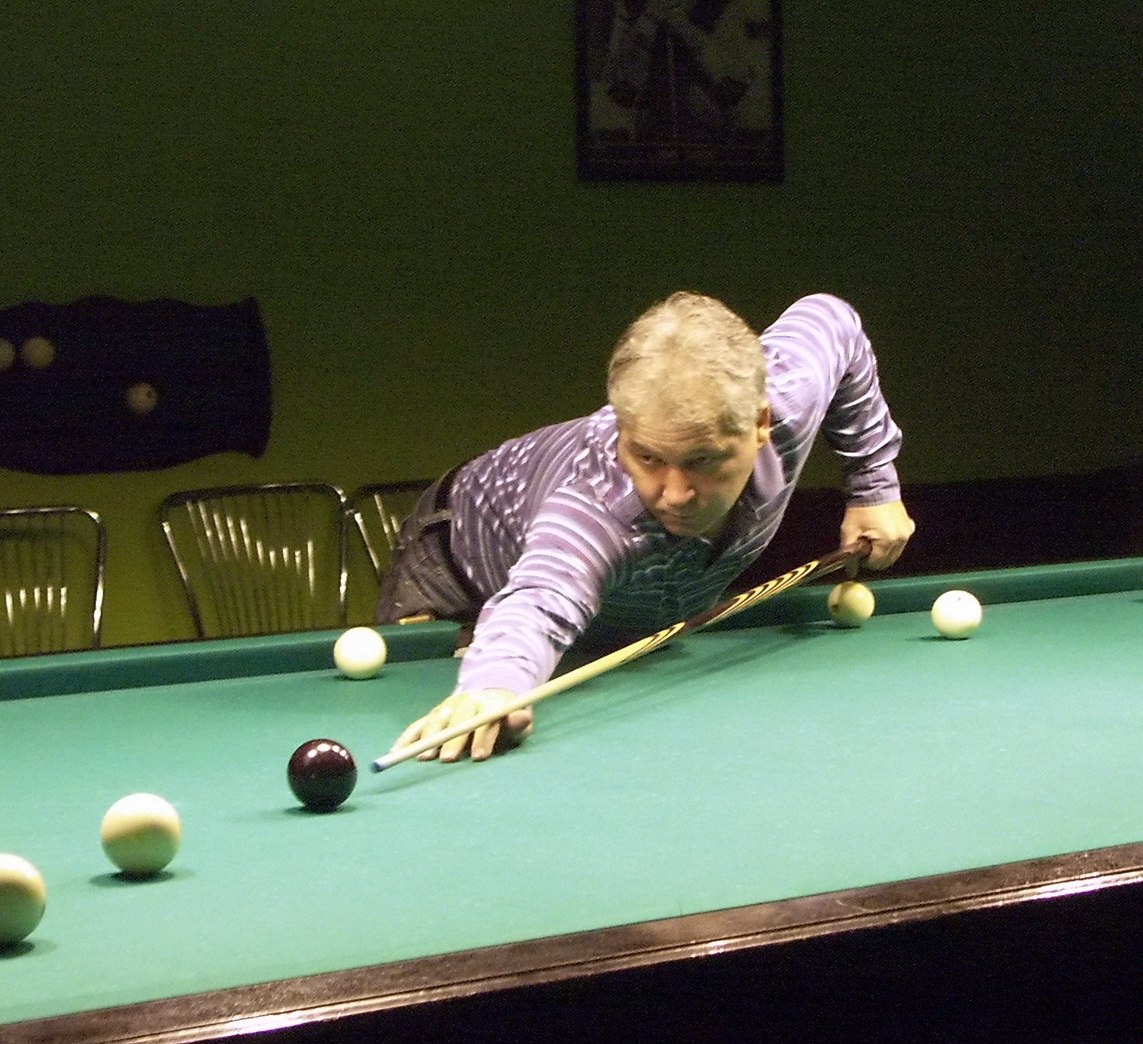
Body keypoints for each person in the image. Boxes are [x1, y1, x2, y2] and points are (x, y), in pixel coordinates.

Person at [377, 291, 914, 763]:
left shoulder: (789, 401)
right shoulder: (594, 503)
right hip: (456, 570)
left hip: (613, 603)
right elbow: (540, 599)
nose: (674, 493)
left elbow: (832, 319)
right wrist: (494, 685)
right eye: (649, 457)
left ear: (760, 424)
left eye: (702, 460)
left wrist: (875, 487)